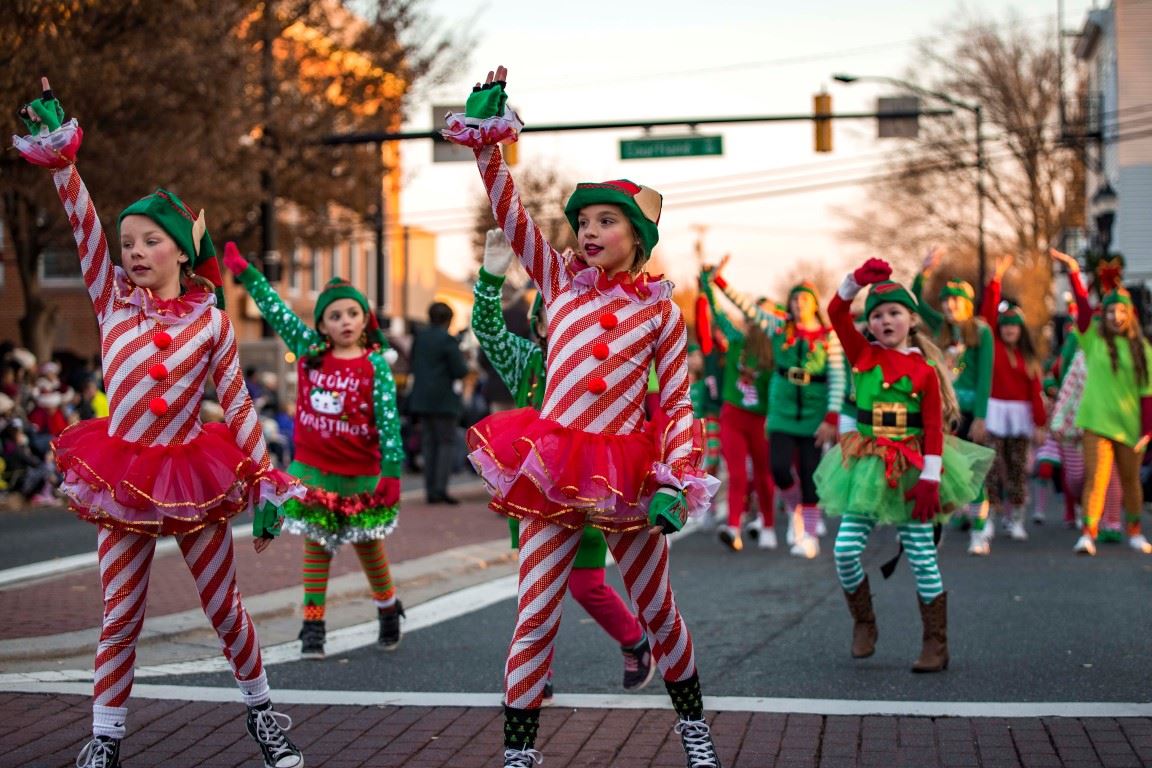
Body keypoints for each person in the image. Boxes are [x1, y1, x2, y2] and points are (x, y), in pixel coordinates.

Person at [15, 80, 304, 768]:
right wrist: (64, 164)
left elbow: (236, 406)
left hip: (191, 475)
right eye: (128, 242)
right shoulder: (112, 301)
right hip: (122, 475)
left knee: (225, 608)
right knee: (121, 616)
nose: (135, 251)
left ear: (179, 250)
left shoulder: (210, 321)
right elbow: (83, 225)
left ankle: (264, 715)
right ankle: (106, 737)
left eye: (150, 241)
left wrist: (266, 484)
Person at [445, 66, 722, 768]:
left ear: (637, 235)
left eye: (606, 221)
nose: (590, 231)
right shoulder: (558, 280)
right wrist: (489, 148)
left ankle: (694, 730)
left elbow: (681, 401)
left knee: (659, 612)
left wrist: (677, 477)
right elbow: (509, 213)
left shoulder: (660, 307)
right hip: (552, 469)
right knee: (534, 614)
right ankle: (519, 755)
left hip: (628, 474)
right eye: (584, 221)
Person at [472, 228, 654, 703]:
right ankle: (539, 674)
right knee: (537, 589)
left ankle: (635, 639)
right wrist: (491, 276)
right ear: (542, 323)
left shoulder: (606, 360)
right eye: (554, 315)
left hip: (593, 488)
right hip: (536, 494)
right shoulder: (527, 361)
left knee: (587, 586)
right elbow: (488, 328)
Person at [815, 259, 993, 673]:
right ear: (870, 324)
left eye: (894, 312)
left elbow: (933, 426)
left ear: (912, 320)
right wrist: (855, 282)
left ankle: (935, 643)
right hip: (866, 465)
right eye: (877, 315)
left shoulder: (925, 369)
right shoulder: (862, 354)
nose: (885, 320)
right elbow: (836, 313)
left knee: (921, 557)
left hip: (914, 467)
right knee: (844, 551)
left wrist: (930, 477)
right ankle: (864, 623)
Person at [225, 253, 406, 656]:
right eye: (335, 315)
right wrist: (247, 273)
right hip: (315, 472)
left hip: (360, 473)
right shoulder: (309, 352)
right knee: (317, 546)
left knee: (368, 546)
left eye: (352, 313)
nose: (344, 321)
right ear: (322, 323)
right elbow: (274, 309)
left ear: (364, 320)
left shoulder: (375, 365)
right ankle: (313, 625)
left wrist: (391, 473)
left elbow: (389, 419)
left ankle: (388, 608)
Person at [709, 266, 846, 557]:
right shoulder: (779, 327)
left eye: (805, 300)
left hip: (813, 411)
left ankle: (809, 535)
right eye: (795, 300)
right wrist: (719, 282)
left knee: (810, 473)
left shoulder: (827, 336)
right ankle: (794, 506)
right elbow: (748, 307)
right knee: (780, 468)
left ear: (813, 304)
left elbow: (837, 376)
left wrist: (831, 417)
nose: (799, 304)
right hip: (782, 411)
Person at [1050, 248, 1152, 555]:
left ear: (1130, 315)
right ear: (1103, 316)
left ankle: (1134, 531)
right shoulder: (1092, 339)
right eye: (1110, 312)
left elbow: (1148, 393)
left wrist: (1148, 430)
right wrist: (1073, 272)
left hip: (1129, 425)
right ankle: (1088, 533)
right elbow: (1082, 308)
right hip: (1095, 421)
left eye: (1121, 311)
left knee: (1132, 481)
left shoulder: (1143, 349)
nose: (1115, 316)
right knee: (1095, 477)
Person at [914, 248, 995, 555]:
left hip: (971, 411)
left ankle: (978, 532)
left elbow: (985, 374)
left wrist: (981, 417)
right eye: (946, 300)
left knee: (972, 473)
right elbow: (917, 302)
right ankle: (936, 530)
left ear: (967, 303)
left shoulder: (982, 331)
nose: (949, 306)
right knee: (942, 469)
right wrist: (924, 272)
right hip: (943, 410)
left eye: (955, 300)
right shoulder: (939, 329)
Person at [699, 266, 776, 552]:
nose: (756, 320)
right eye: (755, 313)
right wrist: (708, 285)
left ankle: (768, 523)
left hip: (763, 420)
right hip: (732, 416)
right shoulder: (736, 340)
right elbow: (718, 314)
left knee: (763, 474)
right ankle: (733, 526)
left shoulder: (778, 349)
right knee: (737, 474)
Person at [980, 255, 1047, 541]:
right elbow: (984, 316)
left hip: (1020, 416)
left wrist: (1040, 424)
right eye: (1005, 325)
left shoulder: (1029, 357)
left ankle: (1016, 518)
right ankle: (990, 517)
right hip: (995, 411)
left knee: (1018, 468)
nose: (1009, 330)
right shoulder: (990, 346)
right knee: (992, 468)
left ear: (1021, 330)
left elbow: (1036, 393)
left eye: (1014, 326)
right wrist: (996, 280)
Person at [409, 301, 469, 504]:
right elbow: (460, 370)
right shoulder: (448, 340)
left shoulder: (420, 338)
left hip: (421, 399)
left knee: (428, 444)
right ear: (448, 320)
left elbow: (413, 364)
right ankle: (440, 489)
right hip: (444, 401)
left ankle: (429, 490)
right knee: (445, 443)